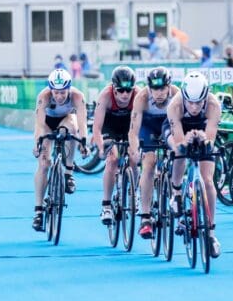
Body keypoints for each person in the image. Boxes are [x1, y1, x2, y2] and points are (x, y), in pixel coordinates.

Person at [163, 71, 223, 257]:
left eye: (199, 102)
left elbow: (211, 138)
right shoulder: (175, 105)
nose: (195, 107)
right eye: (190, 102)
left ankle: (211, 233)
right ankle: (177, 192)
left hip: (203, 129)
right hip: (179, 128)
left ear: (206, 96)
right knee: (180, 152)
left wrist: (205, 140)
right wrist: (185, 142)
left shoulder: (214, 105)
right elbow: (180, 141)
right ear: (184, 97)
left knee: (208, 181)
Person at [32, 69, 88, 231]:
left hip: (66, 121)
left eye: (63, 92)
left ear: (69, 89)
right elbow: (39, 125)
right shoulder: (44, 97)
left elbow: (83, 123)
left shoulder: (77, 96)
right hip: (47, 124)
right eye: (56, 93)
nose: (60, 96)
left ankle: (69, 172)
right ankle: (38, 210)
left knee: (72, 129)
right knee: (44, 163)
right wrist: (37, 143)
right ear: (51, 90)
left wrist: (83, 143)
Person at [128, 67, 179, 239]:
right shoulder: (142, 98)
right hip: (148, 126)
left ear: (169, 86)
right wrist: (134, 150)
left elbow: (182, 125)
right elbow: (133, 131)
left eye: (162, 88)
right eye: (154, 89)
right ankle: (146, 217)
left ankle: (176, 205)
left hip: (169, 125)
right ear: (149, 88)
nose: (158, 93)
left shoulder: (177, 95)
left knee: (177, 159)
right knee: (148, 163)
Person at [91, 66, 139, 225]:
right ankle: (106, 205)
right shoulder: (105, 96)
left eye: (128, 90)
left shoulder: (138, 95)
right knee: (112, 159)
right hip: (109, 126)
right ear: (114, 88)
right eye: (121, 90)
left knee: (134, 157)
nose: (125, 94)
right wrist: (100, 147)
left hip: (129, 127)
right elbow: (97, 129)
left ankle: (134, 194)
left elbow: (143, 124)